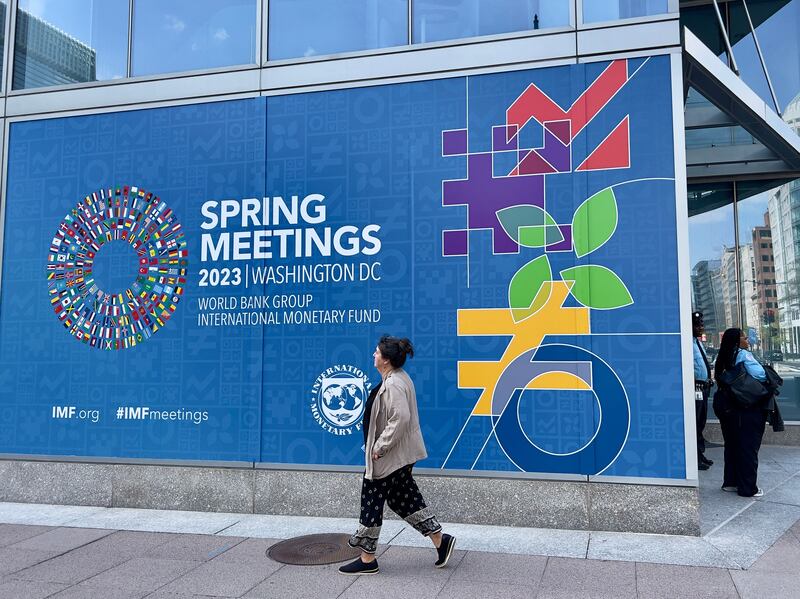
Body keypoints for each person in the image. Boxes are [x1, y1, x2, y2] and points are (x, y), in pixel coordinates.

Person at [339, 335, 456, 575]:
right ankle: (439, 540)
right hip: (400, 456)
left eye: (377, 352)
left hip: (388, 457)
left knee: (371, 500)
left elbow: (400, 418)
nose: (373, 355)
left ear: (386, 360)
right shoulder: (398, 378)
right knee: (402, 498)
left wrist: (380, 446)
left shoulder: (393, 384)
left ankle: (367, 558)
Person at [712, 328, 768, 497]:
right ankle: (748, 488)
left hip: (727, 407)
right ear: (738, 341)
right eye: (744, 337)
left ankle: (730, 483)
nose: (747, 340)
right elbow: (760, 375)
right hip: (746, 406)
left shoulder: (722, 356)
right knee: (748, 447)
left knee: (732, 445)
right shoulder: (743, 355)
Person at [692, 312, 714, 470]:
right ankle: (696, 457)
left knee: (700, 423)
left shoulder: (696, 342)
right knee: (695, 424)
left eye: (702, 324)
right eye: (697, 324)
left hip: (704, 388)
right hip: (696, 388)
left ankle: (700, 453)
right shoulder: (686, 342)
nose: (701, 327)